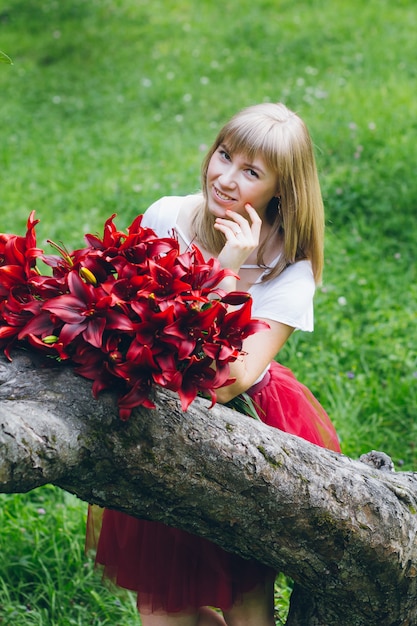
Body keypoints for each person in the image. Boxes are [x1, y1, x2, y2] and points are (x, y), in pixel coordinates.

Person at [86, 102, 341, 626]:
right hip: (158, 415)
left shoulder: (289, 266)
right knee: (163, 609)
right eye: (224, 155)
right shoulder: (165, 217)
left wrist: (223, 271)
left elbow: (230, 378)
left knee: (245, 598)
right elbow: (128, 320)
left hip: (249, 424)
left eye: (251, 172)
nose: (224, 178)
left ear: (281, 191)